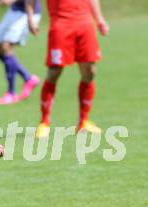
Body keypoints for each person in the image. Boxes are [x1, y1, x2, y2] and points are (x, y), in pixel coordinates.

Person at [35, 0, 109, 138]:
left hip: (85, 23)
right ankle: (44, 122)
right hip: (61, 25)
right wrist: (31, 17)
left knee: (90, 72)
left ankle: (83, 121)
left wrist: (100, 20)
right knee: (54, 72)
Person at [0, 0, 41, 105]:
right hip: (14, 11)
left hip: (27, 13)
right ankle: (28, 78)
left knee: (6, 47)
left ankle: (11, 93)